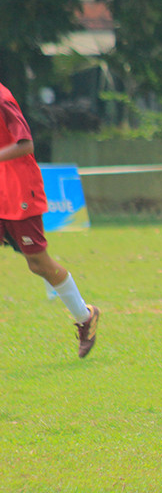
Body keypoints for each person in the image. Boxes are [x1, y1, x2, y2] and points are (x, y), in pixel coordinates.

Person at [0, 80, 100, 358]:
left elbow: (26, 144)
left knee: (38, 264)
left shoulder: (2, 99)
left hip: (19, 190)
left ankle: (85, 316)